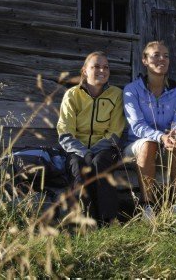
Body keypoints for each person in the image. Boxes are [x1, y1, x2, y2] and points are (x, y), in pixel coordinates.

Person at [57, 51, 125, 226]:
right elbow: (65, 131)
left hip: (105, 148)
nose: (102, 70)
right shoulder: (72, 95)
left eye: (105, 67)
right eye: (96, 66)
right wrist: (83, 152)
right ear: (84, 71)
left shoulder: (116, 95)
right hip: (76, 149)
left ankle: (108, 219)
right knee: (78, 166)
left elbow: (115, 131)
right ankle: (84, 220)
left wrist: (93, 153)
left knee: (99, 163)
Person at [123, 41, 176, 218]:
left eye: (166, 56)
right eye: (156, 55)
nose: (162, 59)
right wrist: (161, 137)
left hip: (166, 143)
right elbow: (137, 126)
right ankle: (147, 206)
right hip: (136, 146)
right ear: (145, 60)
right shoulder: (132, 90)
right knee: (148, 144)